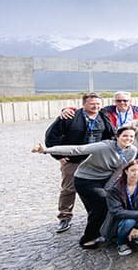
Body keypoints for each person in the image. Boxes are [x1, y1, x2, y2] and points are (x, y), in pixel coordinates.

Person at [33, 126, 138, 248]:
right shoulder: (104, 146)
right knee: (102, 204)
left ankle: (104, 233)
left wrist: (108, 188)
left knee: (96, 208)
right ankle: (87, 239)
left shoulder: (132, 150)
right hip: (86, 179)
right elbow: (76, 149)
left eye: (131, 136)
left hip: (104, 179)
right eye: (125, 135)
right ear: (117, 137)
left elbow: (119, 171)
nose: (128, 138)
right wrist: (45, 150)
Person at [44, 92, 115, 233]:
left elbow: (111, 135)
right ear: (83, 104)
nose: (96, 106)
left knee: (96, 188)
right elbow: (51, 136)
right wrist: (58, 155)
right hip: (73, 160)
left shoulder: (103, 116)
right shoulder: (69, 116)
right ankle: (64, 217)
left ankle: (94, 214)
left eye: (98, 104)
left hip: (94, 160)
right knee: (69, 188)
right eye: (92, 103)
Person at [101, 159, 138, 256]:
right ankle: (121, 242)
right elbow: (116, 211)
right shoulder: (114, 189)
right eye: (133, 170)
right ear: (126, 171)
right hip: (119, 222)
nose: (136, 173)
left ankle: (132, 236)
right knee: (129, 221)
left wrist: (137, 227)